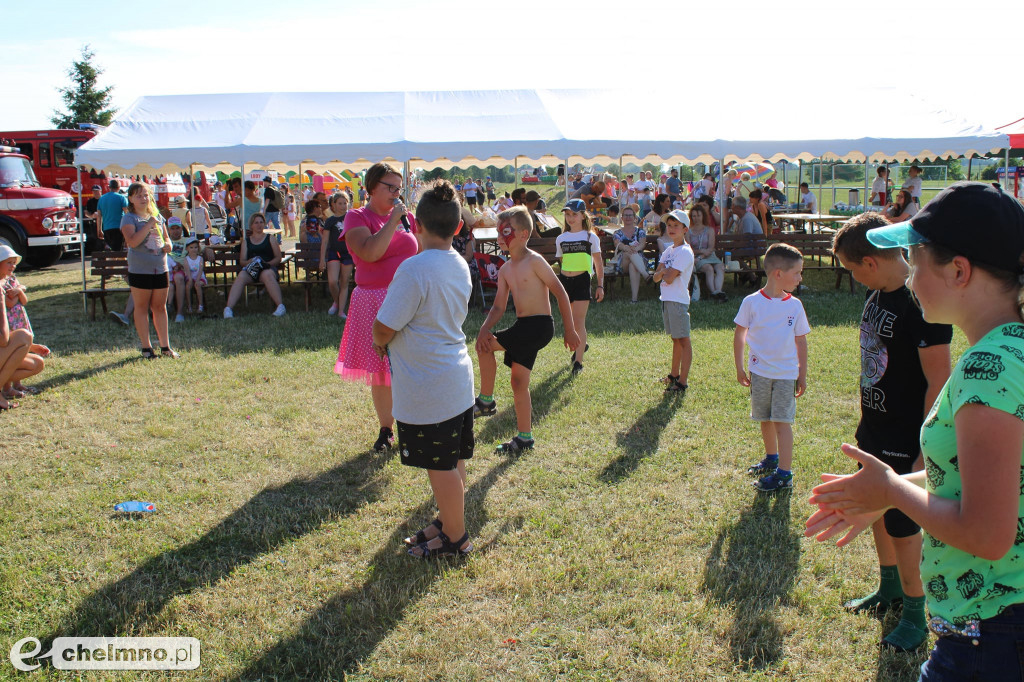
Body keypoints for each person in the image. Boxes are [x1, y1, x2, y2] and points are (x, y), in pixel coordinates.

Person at [807, 183, 1024, 681]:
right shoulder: (1012, 349)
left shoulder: (987, 369)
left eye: (914, 257)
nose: (910, 273)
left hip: (986, 633)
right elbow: (986, 484)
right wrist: (890, 493)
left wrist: (891, 489)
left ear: (959, 271)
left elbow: (987, 534)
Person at [829, 212, 953, 651]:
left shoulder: (920, 303)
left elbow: (939, 380)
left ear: (869, 262)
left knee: (903, 523)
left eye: (850, 269)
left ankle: (917, 613)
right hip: (876, 426)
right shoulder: (878, 293)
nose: (853, 278)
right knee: (878, 506)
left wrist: (924, 444)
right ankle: (889, 589)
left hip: (907, 434)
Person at [371, 180, 475, 559]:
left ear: (416, 225)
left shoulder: (414, 269)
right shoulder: (459, 263)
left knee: (440, 467)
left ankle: (457, 539)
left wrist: (378, 340)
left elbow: (385, 325)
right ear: (458, 226)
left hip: (429, 386)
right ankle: (448, 523)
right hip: (457, 380)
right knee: (453, 461)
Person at [473, 207, 579, 453]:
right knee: (518, 382)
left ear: (523, 234)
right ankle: (524, 438)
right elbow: (499, 306)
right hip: (524, 328)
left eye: (505, 231)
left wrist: (570, 330)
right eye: (498, 232)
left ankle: (486, 401)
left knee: (485, 346)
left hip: (539, 325)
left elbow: (560, 293)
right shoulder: (506, 269)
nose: (500, 237)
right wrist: (483, 328)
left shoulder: (535, 261)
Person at [334, 162, 419, 452]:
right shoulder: (357, 217)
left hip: (408, 297)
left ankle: (412, 424)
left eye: (399, 188)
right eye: (390, 187)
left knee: (410, 365)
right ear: (371, 188)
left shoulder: (409, 219)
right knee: (382, 372)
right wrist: (394, 221)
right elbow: (369, 252)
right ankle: (387, 429)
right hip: (374, 300)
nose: (396, 193)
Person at [735, 243, 810, 492]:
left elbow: (801, 340)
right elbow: (740, 334)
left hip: (786, 375)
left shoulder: (795, 305)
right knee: (764, 418)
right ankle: (771, 458)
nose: (800, 278)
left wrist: (802, 374)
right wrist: (739, 367)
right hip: (759, 374)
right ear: (779, 273)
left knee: (782, 422)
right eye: (797, 273)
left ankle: (784, 475)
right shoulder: (751, 302)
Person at [121, 182, 178, 359]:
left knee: (160, 307)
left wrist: (169, 246)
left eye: (146, 195)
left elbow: (167, 240)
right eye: (138, 195)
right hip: (140, 269)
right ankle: (146, 348)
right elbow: (132, 242)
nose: (143, 198)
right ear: (131, 198)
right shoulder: (129, 218)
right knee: (141, 307)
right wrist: (148, 224)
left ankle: (165, 347)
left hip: (160, 268)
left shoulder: (157, 216)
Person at [556, 199, 604, 376]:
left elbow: (598, 263)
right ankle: (581, 346)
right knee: (569, 323)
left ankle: (578, 362)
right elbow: (562, 262)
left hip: (582, 280)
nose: (570, 218)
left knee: (578, 321)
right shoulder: (561, 238)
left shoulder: (591, 237)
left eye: (574, 214)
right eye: (567, 214)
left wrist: (600, 285)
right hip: (564, 282)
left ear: (583, 215)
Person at [654, 209, 695, 393]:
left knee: (683, 340)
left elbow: (668, 278)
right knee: (675, 339)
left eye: (676, 226)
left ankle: (683, 381)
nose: (671, 229)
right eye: (669, 225)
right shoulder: (669, 250)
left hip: (677, 300)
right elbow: (656, 277)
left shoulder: (685, 252)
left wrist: (663, 272)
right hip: (667, 299)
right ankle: (673, 374)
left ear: (685, 229)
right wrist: (664, 272)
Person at [0, 245, 46, 399]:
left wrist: (20, 290)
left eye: (14, 263)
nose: (13, 266)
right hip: (7, 334)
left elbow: (23, 301)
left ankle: (10, 387)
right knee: (19, 342)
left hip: (12, 332)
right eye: (9, 262)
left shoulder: (10, 280)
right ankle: (5, 388)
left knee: (37, 362)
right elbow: (10, 304)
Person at [222, 213, 286, 319]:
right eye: (256, 223)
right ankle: (228, 308)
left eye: (261, 222)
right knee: (241, 276)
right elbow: (242, 261)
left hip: (267, 267)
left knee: (267, 275)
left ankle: (280, 306)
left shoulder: (270, 238)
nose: (259, 225)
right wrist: (250, 261)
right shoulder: (246, 242)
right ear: (251, 225)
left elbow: (277, 258)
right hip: (252, 268)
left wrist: (267, 264)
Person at [321, 192, 353, 318]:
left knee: (344, 282)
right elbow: (325, 241)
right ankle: (337, 302)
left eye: (345, 203)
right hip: (334, 253)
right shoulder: (330, 220)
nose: (343, 206)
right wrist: (322, 259)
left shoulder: (351, 217)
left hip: (348, 254)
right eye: (340, 203)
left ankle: (341, 311)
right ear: (334, 205)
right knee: (333, 281)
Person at [689, 203, 726, 301]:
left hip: (709, 256)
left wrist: (703, 254)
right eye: (694, 216)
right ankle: (714, 293)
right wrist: (701, 252)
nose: (696, 218)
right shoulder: (688, 232)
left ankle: (718, 291)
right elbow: (689, 249)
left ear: (703, 216)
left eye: (698, 215)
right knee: (708, 268)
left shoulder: (709, 230)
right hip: (696, 258)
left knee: (720, 267)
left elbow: (710, 248)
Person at [612, 205, 649, 304]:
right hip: (623, 262)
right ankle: (646, 275)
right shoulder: (617, 233)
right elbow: (617, 244)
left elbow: (642, 244)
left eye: (630, 215)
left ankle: (634, 299)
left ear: (635, 218)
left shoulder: (640, 231)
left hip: (639, 261)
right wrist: (625, 248)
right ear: (622, 218)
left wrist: (634, 249)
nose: (628, 217)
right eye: (625, 215)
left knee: (633, 266)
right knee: (628, 253)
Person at [165, 218, 189, 323]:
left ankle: (179, 313)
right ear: (168, 230)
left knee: (178, 278)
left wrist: (208, 249)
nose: (175, 231)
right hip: (166, 270)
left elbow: (201, 247)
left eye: (178, 228)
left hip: (181, 271)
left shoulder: (187, 241)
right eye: (172, 228)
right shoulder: (164, 242)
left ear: (181, 228)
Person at [96, 179, 128, 251]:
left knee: (111, 251)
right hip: (119, 228)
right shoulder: (121, 198)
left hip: (106, 228)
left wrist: (99, 229)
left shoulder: (101, 198)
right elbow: (127, 213)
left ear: (109, 187)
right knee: (118, 251)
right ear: (119, 187)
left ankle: (111, 261)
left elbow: (99, 216)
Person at [183, 237, 206, 315]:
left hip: (200, 278)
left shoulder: (200, 258)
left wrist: (197, 280)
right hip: (190, 278)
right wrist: (190, 280)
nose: (194, 249)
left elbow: (200, 270)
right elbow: (187, 271)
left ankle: (200, 305)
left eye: (196, 247)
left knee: (198, 285)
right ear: (187, 249)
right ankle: (189, 306)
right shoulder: (186, 259)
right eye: (191, 247)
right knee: (188, 286)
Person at [83, 185, 102, 253]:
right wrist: (91, 216)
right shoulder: (90, 201)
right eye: (94, 191)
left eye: (97, 191)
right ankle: (99, 255)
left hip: (104, 221)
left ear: (100, 191)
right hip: (95, 222)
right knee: (96, 239)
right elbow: (86, 212)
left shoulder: (103, 200)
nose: (95, 193)